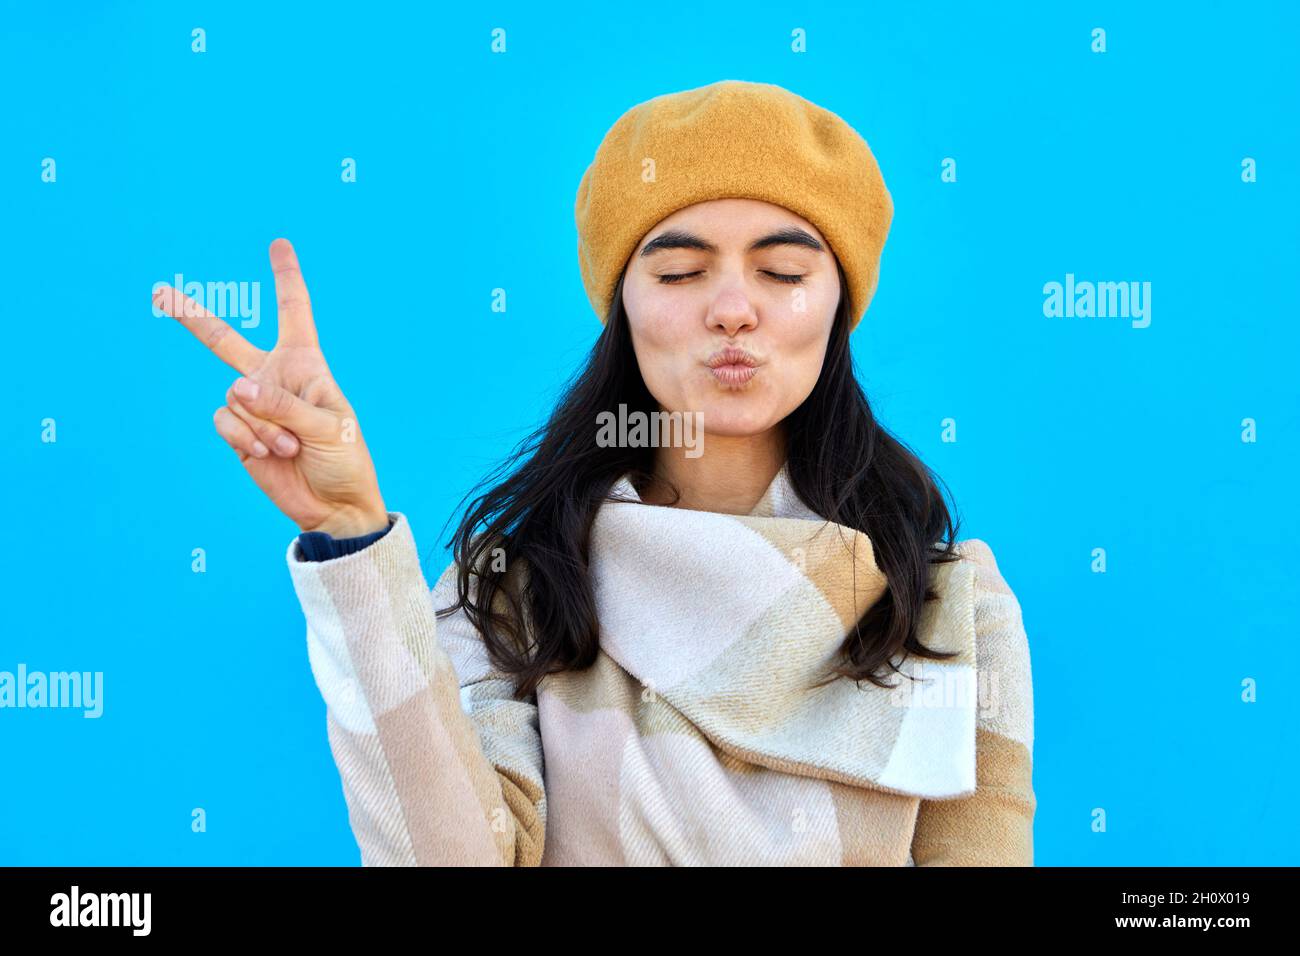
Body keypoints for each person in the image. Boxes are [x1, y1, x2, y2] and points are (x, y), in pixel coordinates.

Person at [153, 79, 1035, 866]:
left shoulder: (946, 605)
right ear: (623, 305)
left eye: (783, 271)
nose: (733, 309)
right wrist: (353, 535)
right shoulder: (517, 585)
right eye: (681, 270)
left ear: (839, 304)